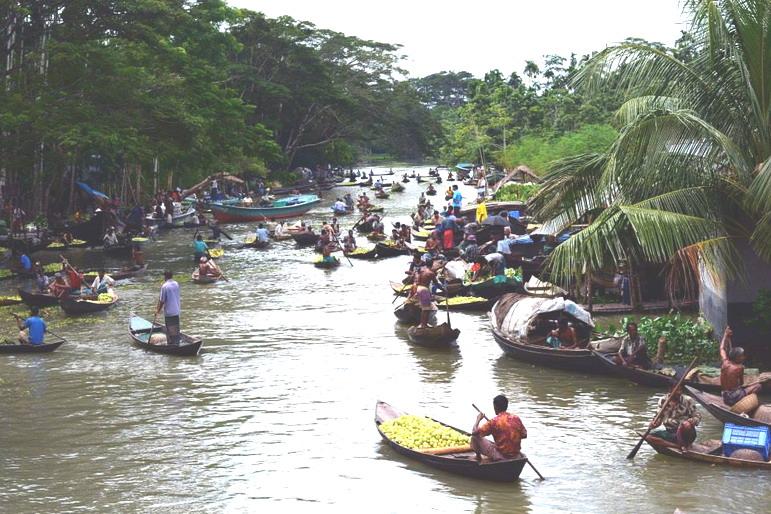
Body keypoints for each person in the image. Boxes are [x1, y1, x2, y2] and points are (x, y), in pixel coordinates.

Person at [471, 395, 527, 461]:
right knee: (496, 443)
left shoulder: (494, 422)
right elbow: (524, 435)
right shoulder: (516, 418)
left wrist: (478, 419)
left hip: (501, 456)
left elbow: (474, 432)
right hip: (516, 455)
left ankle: (478, 457)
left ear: (495, 407)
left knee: (474, 437)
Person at [719, 326, 762, 406]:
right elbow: (741, 383)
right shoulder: (740, 368)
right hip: (733, 397)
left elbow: (722, 348)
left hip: (724, 395)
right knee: (758, 386)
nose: (744, 357)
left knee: (745, 388)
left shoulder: (725, 362)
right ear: (737, 357)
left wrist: (725, 335)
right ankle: (744, 404)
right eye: (742, 356)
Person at [157, 271, 181, 345]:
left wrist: (157, 311)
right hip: (176, 310)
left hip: (169, 312)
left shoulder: (165, 286)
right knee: (176, 328)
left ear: (165, 277)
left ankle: (171, 344)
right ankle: (176, 342)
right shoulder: (176, 284)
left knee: (169, 329)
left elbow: (162, 301)